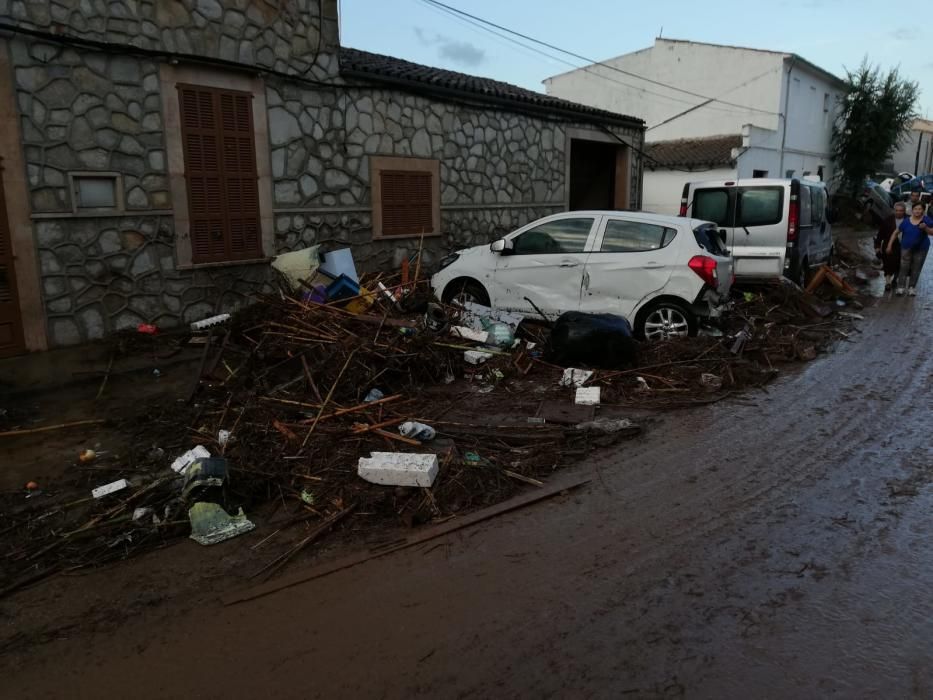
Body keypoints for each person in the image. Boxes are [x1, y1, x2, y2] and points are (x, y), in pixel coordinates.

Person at [889, 201, 932, 295]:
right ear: (912, 210)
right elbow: (896, 232)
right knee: (904, 267)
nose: (917, 211)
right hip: (906, 247)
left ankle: (912, 287)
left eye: (920, 209)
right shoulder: (906, 221)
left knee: (916, 268)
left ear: (923, 210)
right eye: (915, 209)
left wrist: (925, 228)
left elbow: (931, 232)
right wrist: (889, 245)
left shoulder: (926, 220)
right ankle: (900, 287)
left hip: (921, 248)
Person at [876, 201, 905, 290]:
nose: (898, 212)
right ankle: (888, 282)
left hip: (903, 246)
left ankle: (895, 279)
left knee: (899, 264)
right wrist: (877, 247)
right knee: (887, 264)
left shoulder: (909, 219)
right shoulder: (887, 220)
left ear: (904, 211)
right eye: (897, 210)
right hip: (889, 245)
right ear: (894, 210)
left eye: (901, 211)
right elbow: (880, 235)